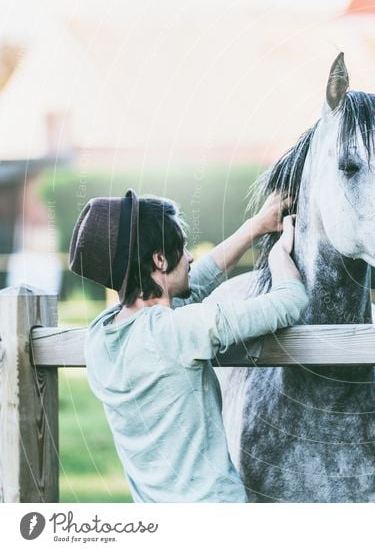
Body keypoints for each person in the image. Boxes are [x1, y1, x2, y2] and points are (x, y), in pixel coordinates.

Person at [68, 188, 307, 502]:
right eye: (183, 248)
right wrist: (278, 256)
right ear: (160, 258)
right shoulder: (175, 331)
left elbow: (193, 286)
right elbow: (290, 301)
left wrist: (256, 226)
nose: (192, 256)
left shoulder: (100, 336)